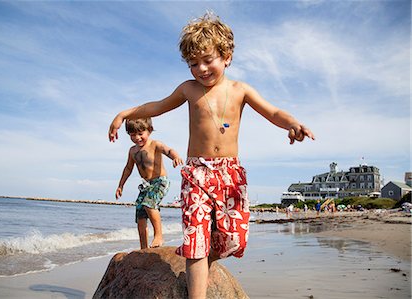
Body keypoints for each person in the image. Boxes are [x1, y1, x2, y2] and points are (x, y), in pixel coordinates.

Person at [108, 12, 315, 299]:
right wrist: (124, 114)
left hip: (229, 173)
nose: (201, 69)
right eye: (194, 64)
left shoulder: (240, 90)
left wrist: (292, 123)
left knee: (232, 239)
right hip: (197, 173)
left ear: (226, 56)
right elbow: (156, 106)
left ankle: (204, 263)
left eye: (208, 61)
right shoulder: (188, 89)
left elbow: (273, 112)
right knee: (195, 239)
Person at [115, 118, 183, 249]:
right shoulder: (132, 151)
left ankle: (159, 235)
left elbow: (168, 150)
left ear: (149, 131)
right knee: (140, 215)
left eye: (141, 134)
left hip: (160, 181)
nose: (137, 138)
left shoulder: (155, 144)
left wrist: (175, 157)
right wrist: (120, 185)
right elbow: (128, 168)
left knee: (149, 203)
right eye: (133, 135)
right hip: (146, 185)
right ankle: (143, 247)